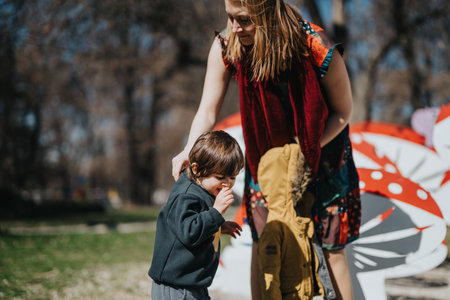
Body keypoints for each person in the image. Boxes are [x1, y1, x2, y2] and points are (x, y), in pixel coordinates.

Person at [171, 0, 361, 299]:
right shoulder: (226, 44)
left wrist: (305, 150)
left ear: (269, 14)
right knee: (263, 237)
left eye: (244, 20)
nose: (234, 27)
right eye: (230, 18)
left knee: (330, 245)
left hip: (323, 154)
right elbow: (208, 110)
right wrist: (189, 149)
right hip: (267, 157)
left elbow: (343, 111)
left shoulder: (317, 46)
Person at [149, 130, 245, 300]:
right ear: (197, 169)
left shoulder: (203, 190)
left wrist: (219, 226)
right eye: (220, 176)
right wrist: (216, 213)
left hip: (193, 282)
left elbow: (198, 222)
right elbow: (189, 232)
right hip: (176, 286)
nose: (227, 183)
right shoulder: (186, 196)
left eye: (233, 177)